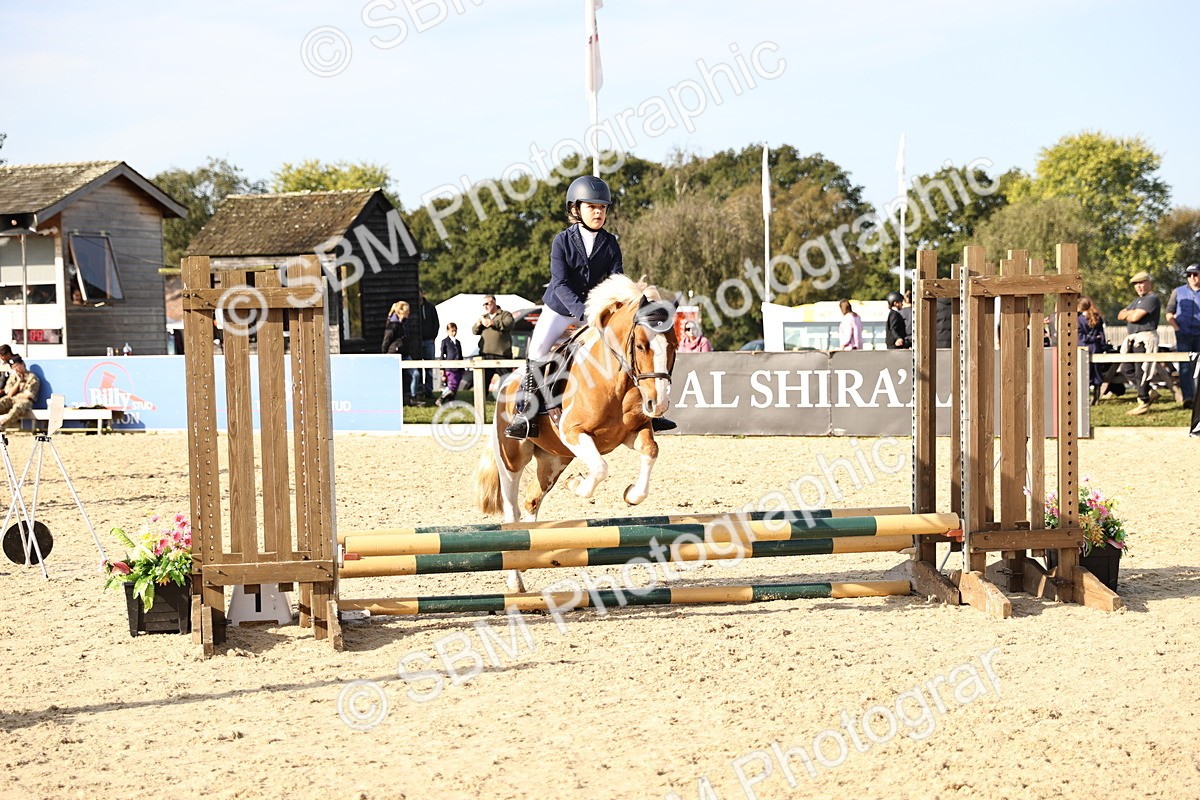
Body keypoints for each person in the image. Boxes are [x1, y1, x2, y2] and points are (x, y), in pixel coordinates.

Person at [504, 175, 677, 439]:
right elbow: (560, 284)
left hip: (598, 311)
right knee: (538, 348)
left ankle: (647, 410)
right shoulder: (561, 241)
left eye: (602, 208)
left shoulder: (610, 243)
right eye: (592, 207)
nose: (598, 212)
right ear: (576, 209)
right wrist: (583, 312)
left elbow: (617, 280)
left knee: (628, 347)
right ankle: (525, 413)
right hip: (560, 308)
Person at [1117, 271, 1162, 415]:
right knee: (1126, 369)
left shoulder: (1152, 298)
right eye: (1136, 284)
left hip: (1145, 339)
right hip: (1133, 339)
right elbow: (1120, 314)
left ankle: (1143, 401)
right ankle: (1149, 392)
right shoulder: (1137, 301)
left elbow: (1135, 317)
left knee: (1140, 371)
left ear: (1149, 283)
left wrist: (1130, 314)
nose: (1139, 287)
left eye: (1141, 283)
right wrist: (1131, 313)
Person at [1166, 263, 1200, 410]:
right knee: (1185, 367)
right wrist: (1177, 328)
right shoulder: (1178, 292)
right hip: (1184, 335)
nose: (1192, 277)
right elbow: (1169, 312)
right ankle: (1188, 398)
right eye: (1189, 275)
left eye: (1195, 274)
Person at [472, 295, 515, 400]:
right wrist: (478, 325)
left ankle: (509, 400)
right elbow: (474, 331)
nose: (485, 306)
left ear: (494, 302)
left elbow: (509, 324)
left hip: (502, 354)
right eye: (484, 304)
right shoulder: (484, 317)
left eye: (487, 303)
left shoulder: (505, 314)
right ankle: (481, 401)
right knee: (483, 381)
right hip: (486, 354)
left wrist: (492, 323)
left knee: (507, 380)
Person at [382, 301, 418, 405]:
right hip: (394, 354)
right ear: (401, 311)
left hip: (405, 354)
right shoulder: (393, 324)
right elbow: (386, 340)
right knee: (394, 378)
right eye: (407, 311)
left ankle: (413, 397)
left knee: (415, 374)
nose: (409, 312)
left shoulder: (405, 323)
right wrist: (384, 355)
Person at [1077, 297, 1108, 403]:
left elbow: (1079, 336)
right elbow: (1102, 335)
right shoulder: (1097, 317)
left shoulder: (1079, 319)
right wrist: (1103, 346)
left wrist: (1090, 338)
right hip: (1096, 348)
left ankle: (1085, 398)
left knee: (1085, 373)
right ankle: (1096, 398)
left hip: (1083, 348)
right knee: (1097, 374)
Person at [414, 289, 440, 403]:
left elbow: (436, 323)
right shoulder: (414, 307)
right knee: (418, 367)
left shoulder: (430, 307)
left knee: (429, 367)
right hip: (418, 341)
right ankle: (420, 390)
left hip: (428, 340)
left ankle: (429, 390)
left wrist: (433, 337)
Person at [0, 356, 39, 428]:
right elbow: (9, 394)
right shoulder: (13, 377)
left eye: (17, 366)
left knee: (17, 407)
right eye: (13, 367)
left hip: (25, 401)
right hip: (13, 399)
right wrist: (18, 382)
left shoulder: (32, 378)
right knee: (2, 402)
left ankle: (3, 425)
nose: (16, 369)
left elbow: (28, 396)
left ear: (23, 364)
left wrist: (16, 395)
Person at [437, 322, 464, 406]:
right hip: (449, 366)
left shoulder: (458, 342)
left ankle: (451, 402)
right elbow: (442, 355)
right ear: (448, 331)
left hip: (458, 367)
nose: (454, 333)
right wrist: (442, 368)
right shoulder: (445, 342)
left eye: (455, 331)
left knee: (456, 386)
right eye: (452, 331)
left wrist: (462, 367)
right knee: (452, 384)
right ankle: (441, 398)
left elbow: (460, 354)